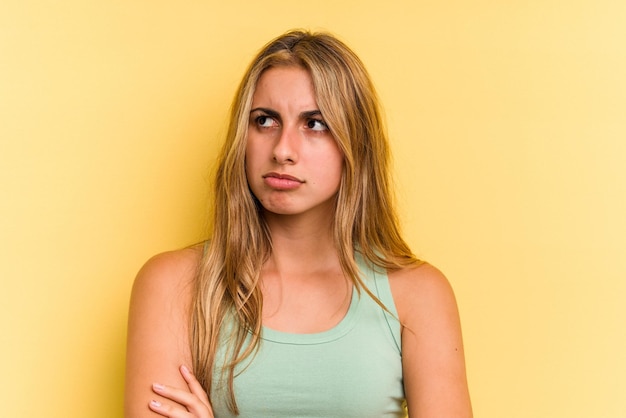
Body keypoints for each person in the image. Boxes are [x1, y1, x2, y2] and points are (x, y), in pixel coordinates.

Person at [124, 29, 473, 418]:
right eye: (265, 120)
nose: (283, 150)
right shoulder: (174, 284)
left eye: (315, 124)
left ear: (355, 144)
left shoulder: (418, 295)